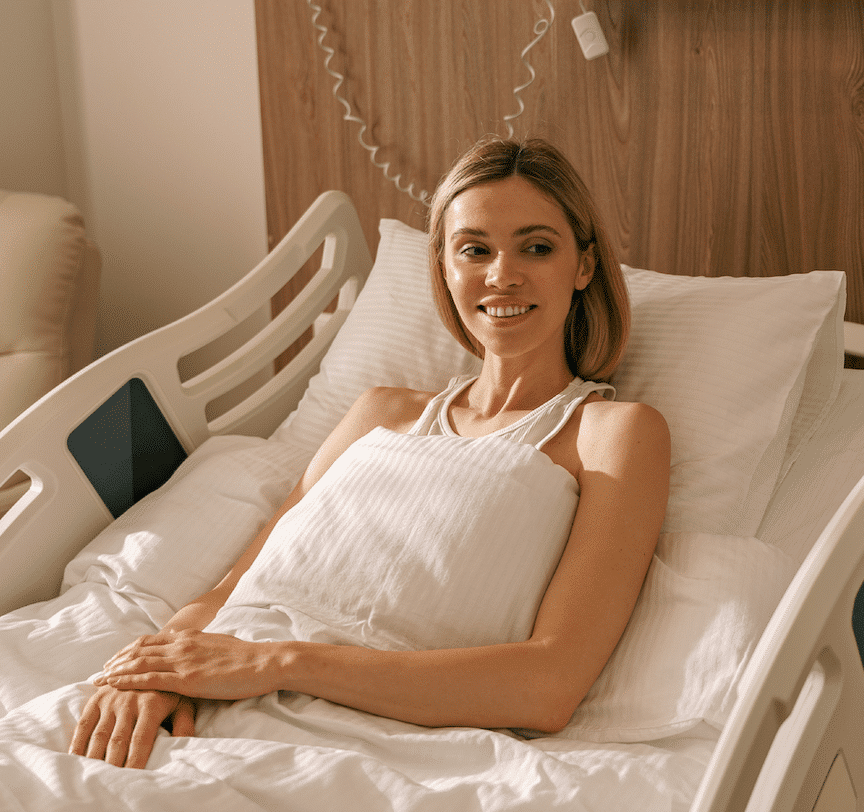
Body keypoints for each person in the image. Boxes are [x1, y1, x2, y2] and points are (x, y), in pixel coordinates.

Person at [69, 137, 670, 769]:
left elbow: (548, 687)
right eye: (475, 250)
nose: (502, 274)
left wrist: (275, 664)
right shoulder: (379, 412)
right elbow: (234, 583)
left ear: (584, 267)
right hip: (208, 694)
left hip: (362, 740)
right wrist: (154, 669)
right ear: (443, 267)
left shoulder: (612, 433)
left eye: (537, 247)